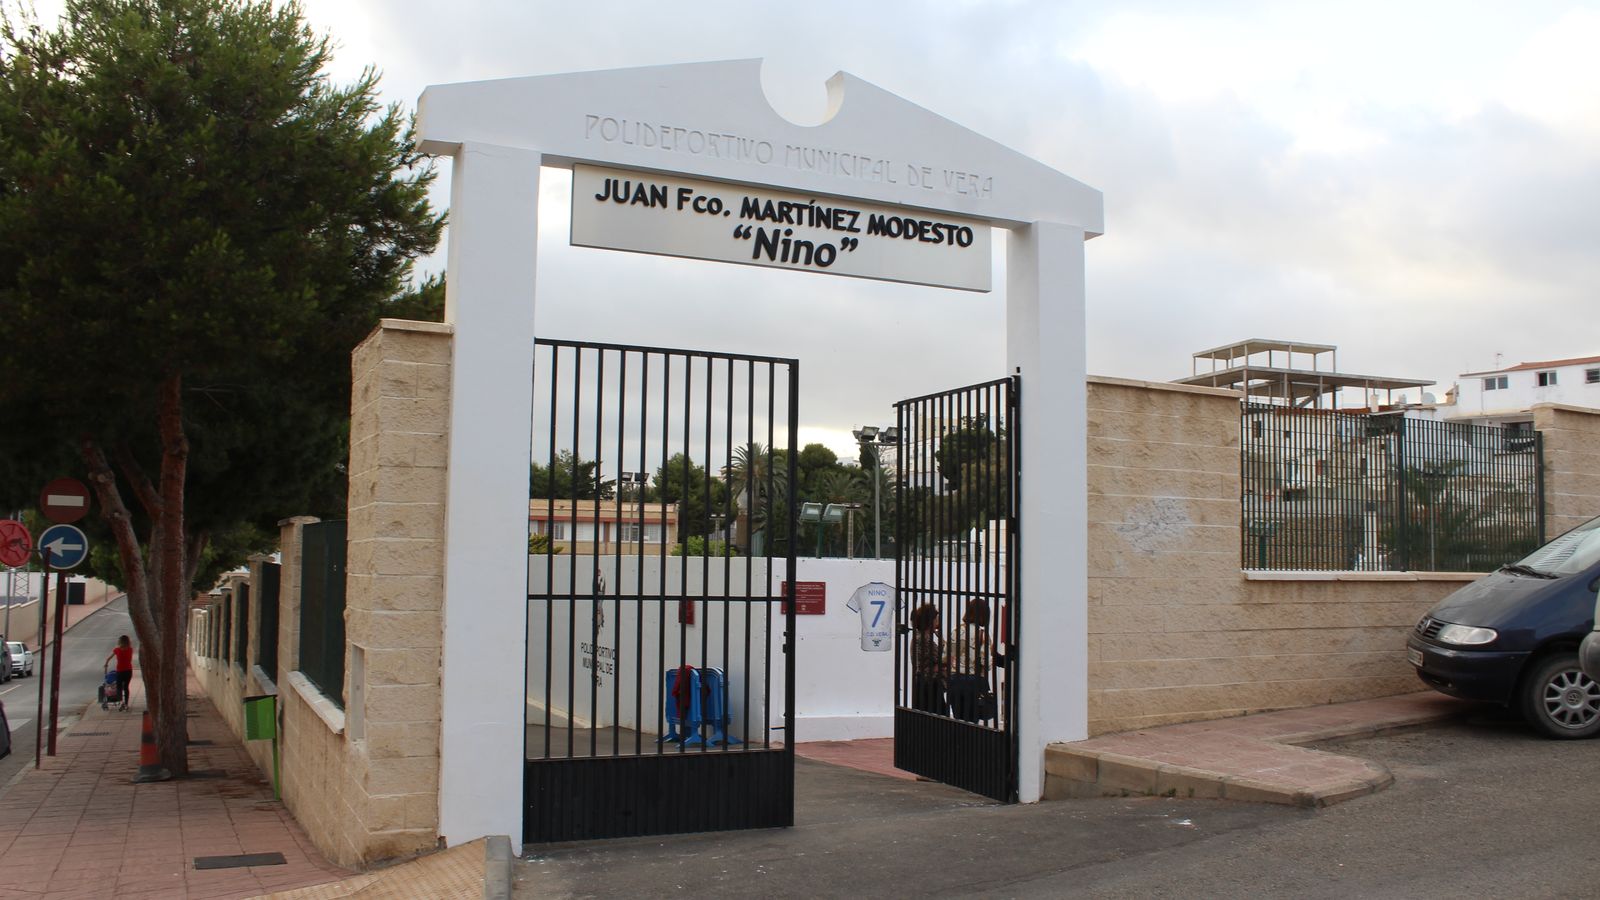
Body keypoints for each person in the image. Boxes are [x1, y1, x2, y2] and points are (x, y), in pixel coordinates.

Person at [945, 598, 1006, 724]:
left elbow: (946, 657)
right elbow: (986, 662)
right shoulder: (981, 635)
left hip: (954, 682)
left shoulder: (956, 631)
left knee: (959, 721)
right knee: (972, 724)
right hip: (973, 684)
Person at [909, 603, 946, 715]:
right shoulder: (923, 639)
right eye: (936, 619)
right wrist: (948, 660)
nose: (938, 621)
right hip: (928, 686)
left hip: (926, 684)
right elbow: (933, 665)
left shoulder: (922, 637)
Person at [104, 635, 134, 712]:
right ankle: (126, 704)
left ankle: (121, 702)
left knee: (119, 687)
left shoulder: (117, 650)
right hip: (128, 671)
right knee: (126, 687)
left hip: (120, 671)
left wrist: (106, 664)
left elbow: (108, 658)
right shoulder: (130, 649)